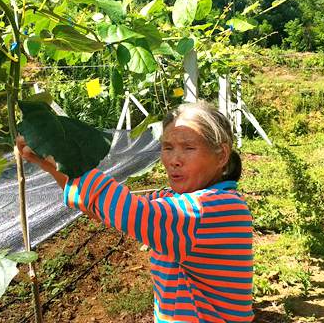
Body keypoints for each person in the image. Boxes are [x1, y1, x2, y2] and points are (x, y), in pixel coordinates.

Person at [16, 101, 253, 323]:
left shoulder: (219, 209)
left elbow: (130, 212)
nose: (174, 160)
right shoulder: (174, 200)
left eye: (188, 148)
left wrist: (59, 152)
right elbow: (106, 209)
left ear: (221, 155)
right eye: (167, 148)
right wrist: (50, 163)